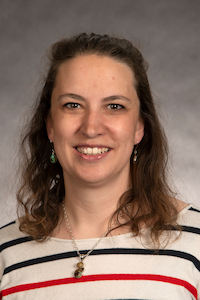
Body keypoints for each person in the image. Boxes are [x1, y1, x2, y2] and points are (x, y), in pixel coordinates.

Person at [0, 33, 199, 300]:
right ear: (50, 125)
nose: (91, 128)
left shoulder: (195, 243)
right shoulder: (5, 253)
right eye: (73, 105)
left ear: (139, 127)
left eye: (114, 106)